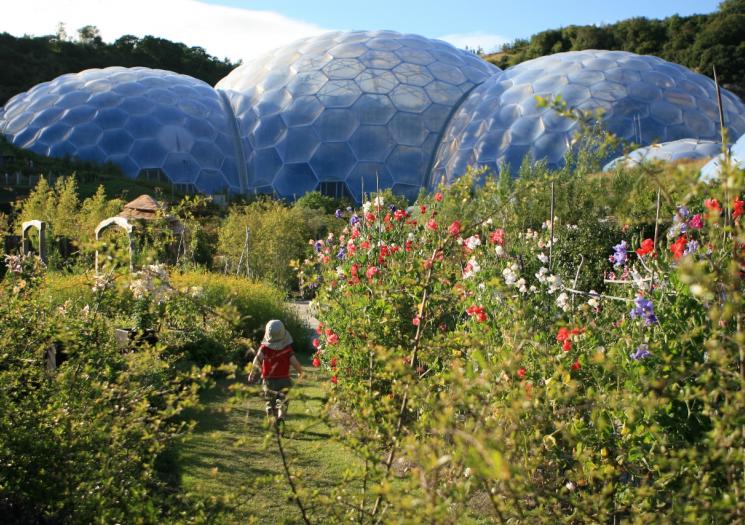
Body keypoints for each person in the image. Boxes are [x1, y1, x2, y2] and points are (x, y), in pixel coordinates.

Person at [248, 320, 303, 425]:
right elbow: (294, 362)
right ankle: (281, 416)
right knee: (282, 401)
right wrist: (300, 372)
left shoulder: (264, 348)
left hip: (268, 380)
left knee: (270, 402)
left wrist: (252, 372)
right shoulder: (287, 348)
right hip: (284, 380)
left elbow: (257, 360)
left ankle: (272, 421)